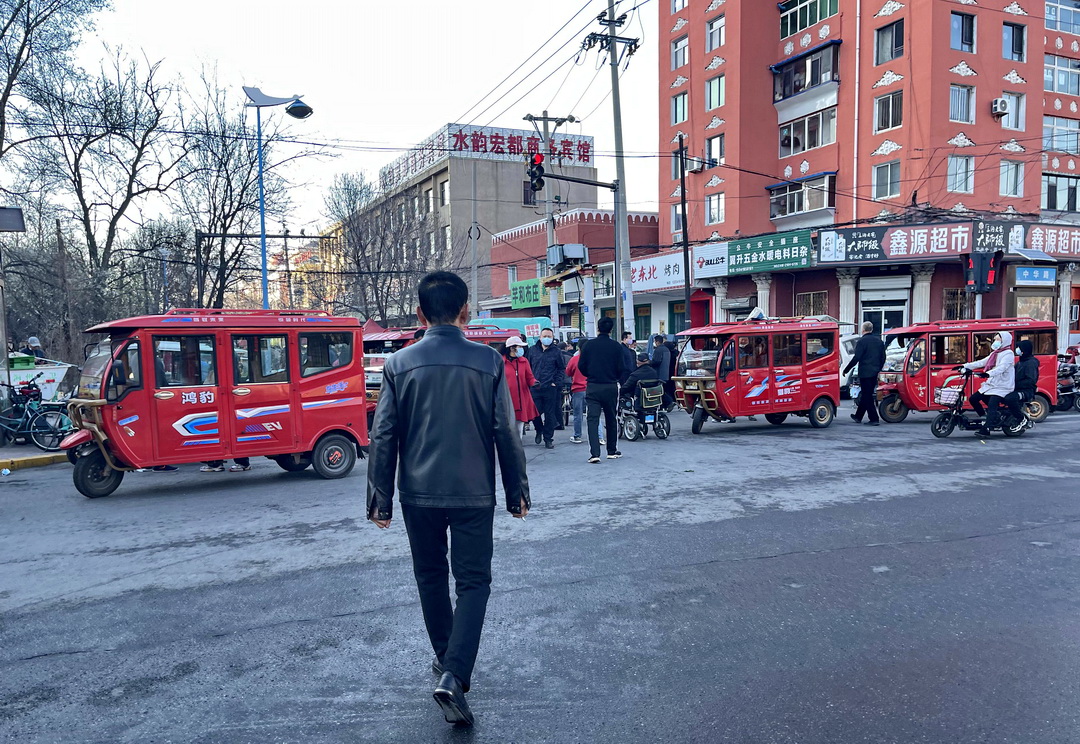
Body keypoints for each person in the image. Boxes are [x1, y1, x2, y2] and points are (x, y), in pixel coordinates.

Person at [366, 271, 530, 727]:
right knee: (474, 582)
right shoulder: (490, 361)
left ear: (419, 314)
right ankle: (454, 672)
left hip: (417, 492)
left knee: (431, 578)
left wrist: (379, 499)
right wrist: (517, 491)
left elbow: (383, 436)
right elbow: (505, 432)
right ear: (465, 312)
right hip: (474, 491)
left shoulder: (398, 365)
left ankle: (447, 663)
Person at [579, 316, 625, 463]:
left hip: (593, 386)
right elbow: (621, 368)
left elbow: (581, 366)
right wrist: (613, 376)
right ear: (611, 329)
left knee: (592, 419)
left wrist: (591, 374)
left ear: (598, 328)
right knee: (611, 418)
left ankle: (595, 454)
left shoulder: (588, 345)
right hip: (611, 385)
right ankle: (611, 450)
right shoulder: (617, 346)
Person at [963, 331, 1016, 437]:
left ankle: (987, 428)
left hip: (1003, 386)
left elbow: (1002, 368)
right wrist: (965, 366)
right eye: (995, 339)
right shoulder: (995, 353)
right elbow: (982, 362)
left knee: (992, 404)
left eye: (998, 340)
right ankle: (985, 417)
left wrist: (988, 374)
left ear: (1004, 341)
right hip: (992, 384)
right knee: (973, 399)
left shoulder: (1008, 354)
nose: (995, 342)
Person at [526, 328, 564, 449]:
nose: (546, 338)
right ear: (540, 337)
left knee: (550, 414)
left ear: (552, 338)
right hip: (535, 387)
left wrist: (556, 382)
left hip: (550, 388)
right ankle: (539, 429)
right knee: (535, 413)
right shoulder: (532, 350)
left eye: (549, 336)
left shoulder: (557, 352)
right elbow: (527, 367)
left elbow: (561, 369)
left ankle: (548, 439)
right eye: (544, 336)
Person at [843, 321, 886, 426]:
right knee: (866, 393)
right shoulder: (879, 341)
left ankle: (874, 418)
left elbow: (857, 357)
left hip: (865, 372)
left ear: (863, 330)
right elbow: (883, 357)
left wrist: (846, 369)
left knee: (867, 395)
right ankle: (858, 416)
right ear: (871, 329)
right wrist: (878, 368)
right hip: (874, 372)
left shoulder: (862, 341)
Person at [565, 339, 603, 444]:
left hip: (578, 390)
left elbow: (568, 372)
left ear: (579, 348)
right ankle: (599, 437)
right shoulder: (595, 360)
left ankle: (577, 436)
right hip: (593, 388)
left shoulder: (575, 359)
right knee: (595, 414)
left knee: (578, 414)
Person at [501, 337, 538, 436]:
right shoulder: (501, 362)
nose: (522, 349)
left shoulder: (524, 361)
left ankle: (517, 447)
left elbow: (529, 377)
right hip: (507, 399)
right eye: (519, 346)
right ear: (512, 348)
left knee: (519, 428)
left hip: (522, 399)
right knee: (507, 427)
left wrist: (534, 383)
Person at [1004, 339, 1039, 424]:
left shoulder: (1030, 363)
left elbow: (1030, 380)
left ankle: (1020, 418)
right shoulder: (1021, 362)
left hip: (1026, 391)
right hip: (1016, 388)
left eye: (1019, 348)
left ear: (1024, 349)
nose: (1017, 349)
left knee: (1010, 398)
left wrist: (1014, 385)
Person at [650, 334, 674, 409]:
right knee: (663, 390)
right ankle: (665, 404)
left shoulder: (658, 350)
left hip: (659, 373)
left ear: (657, 342)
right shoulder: (666, 349)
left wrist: (648, 362)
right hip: (665, 373)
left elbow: (656, 361)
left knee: (659, 391)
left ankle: (669, 402)